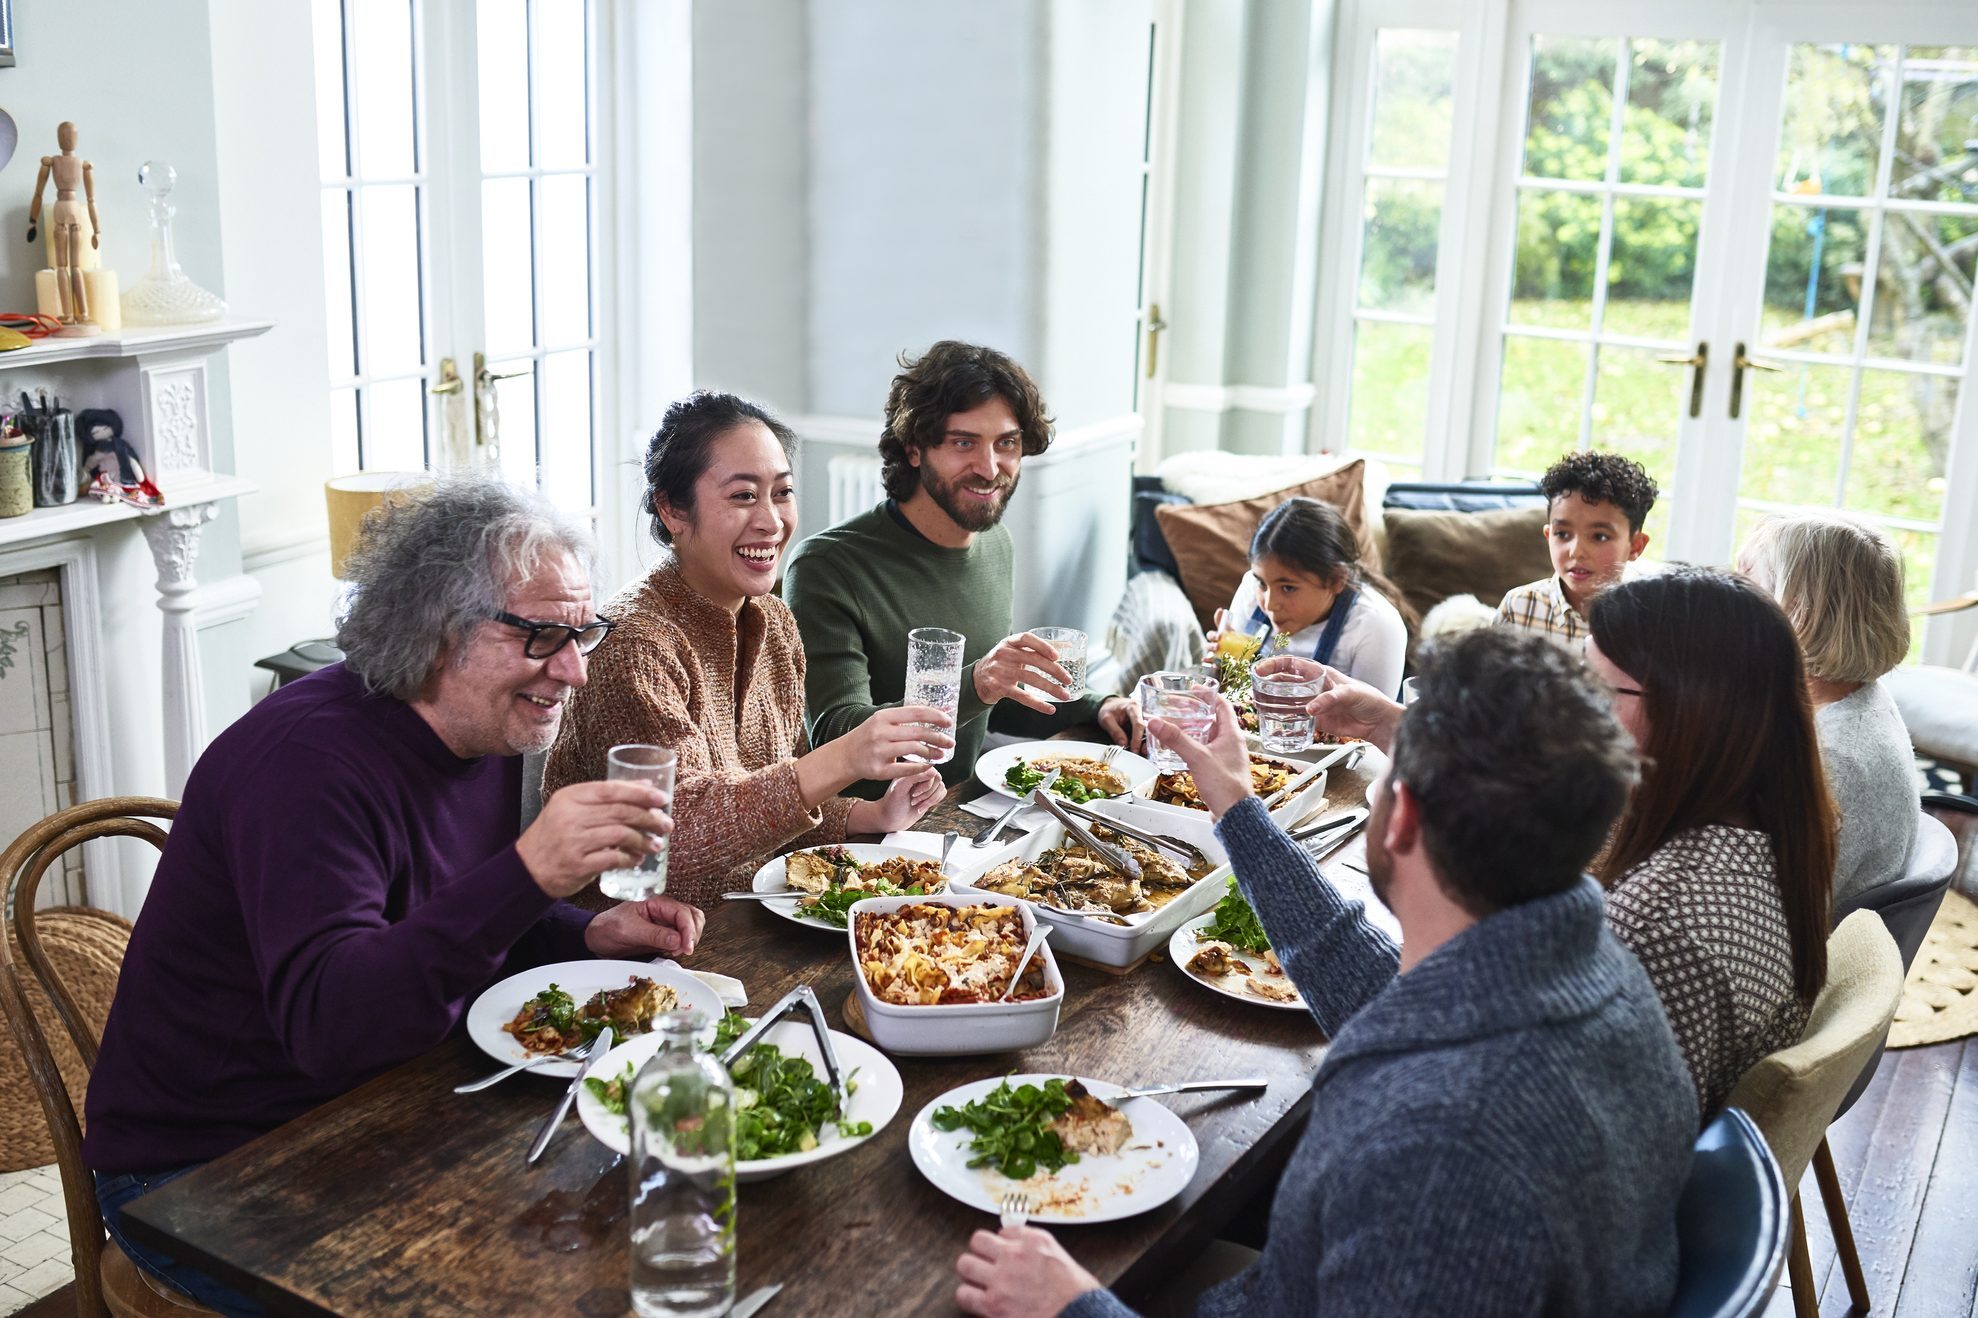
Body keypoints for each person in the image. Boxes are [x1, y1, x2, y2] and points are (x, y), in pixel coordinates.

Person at [85, 480, 701, 1314]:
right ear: (441, 630)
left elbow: (444, 922)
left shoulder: (485, 730)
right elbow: (335, 1027)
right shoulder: (308, 766)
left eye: (582, 632)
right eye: (543, 635)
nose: (574, 669)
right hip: (206, 1164)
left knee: (643, 1212)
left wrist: (583, 931)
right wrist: (529, 872)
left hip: (382, 1100)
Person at [956, 629, 1696, 1317]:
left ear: (1399, 818)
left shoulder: (1439, 1154)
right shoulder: (1593, 970)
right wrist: (1239, 812)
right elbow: (1381, 993)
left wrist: (1075, 1305)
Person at [1263, 568, 1835, 1117]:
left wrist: (1251, 826)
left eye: (1592, 686)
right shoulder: (1749, 833)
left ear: (1688, 714)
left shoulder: (1654, 927)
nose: (1573, 707)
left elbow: (1436, 1044)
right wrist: (1390, 724)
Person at [544, 392, 947, 909]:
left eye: (782, 493)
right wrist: (845, 757)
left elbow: (771, 808)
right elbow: (672, 839)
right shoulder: (633, 645)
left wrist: (872, 816)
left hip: (749, 922)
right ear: (672, 509)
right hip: (644, 953)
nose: (771, 521)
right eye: (742, 496)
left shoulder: (773, 621)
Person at [784, 341, 1143, 794]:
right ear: (914, 449)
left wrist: (1095, 706)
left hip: (959, 804)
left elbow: (988, 702)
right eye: (962, 443)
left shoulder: (996, 543)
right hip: (867, 834)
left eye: (1006, 443)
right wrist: (978, 681)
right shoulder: (828, 567)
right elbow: (836, 734)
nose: (989, 468)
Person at [1739, 511, 1917, 908]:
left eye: (1747, 583)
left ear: (1799, 611)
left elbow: (1760, 910)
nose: (1731, 599)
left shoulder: (1834, 758)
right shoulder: (1858, 698)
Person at [1212, 496, 1411, 697]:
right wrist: (1223, 666)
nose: (1270, 605)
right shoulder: (1251, 588)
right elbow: (1231, 694)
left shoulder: (1376, 625)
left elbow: (1374, 723)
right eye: (1262, 584)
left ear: (1336, 580)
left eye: (1288, 588)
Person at [1495, 450, 1658, 650]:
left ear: (1636, 546)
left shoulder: (1651, 621)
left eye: (1600, 537)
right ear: (1548, 536)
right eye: (1562, 534)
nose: (1576, 552)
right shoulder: (1518, 608)